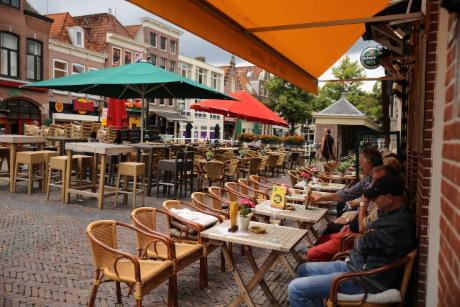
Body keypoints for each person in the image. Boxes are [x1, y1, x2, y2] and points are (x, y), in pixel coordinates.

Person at [288, 174, 416, 307]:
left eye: (376, 198)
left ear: (389, 199)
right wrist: (364, 236)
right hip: (356, 267)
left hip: (364, 280)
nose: (374, 202)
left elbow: (362, 243)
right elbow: (365, 234)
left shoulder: (397, 225)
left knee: (296, 289)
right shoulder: (389, 214)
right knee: (303, 269)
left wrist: (363, 237)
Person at [306, 165, 399, 262]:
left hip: (353, 257)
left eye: (378, 181)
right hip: (351, 240)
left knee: (311, 256)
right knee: (325, 237)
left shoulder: (389, 214)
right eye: (373, 180)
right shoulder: (385, 207)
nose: (373, 184)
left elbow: (363, 231)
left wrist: (362, 204)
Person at [311, 147, 383, 234]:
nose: (360, 165)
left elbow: (368, 214)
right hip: (362, 216)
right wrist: (321, 198)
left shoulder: (379, 182)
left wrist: (348, 219)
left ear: (369, 163)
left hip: (365, 222)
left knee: (332, 227)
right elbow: (347, 194)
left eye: (361, 162)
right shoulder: (368, 178)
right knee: (338, 213)